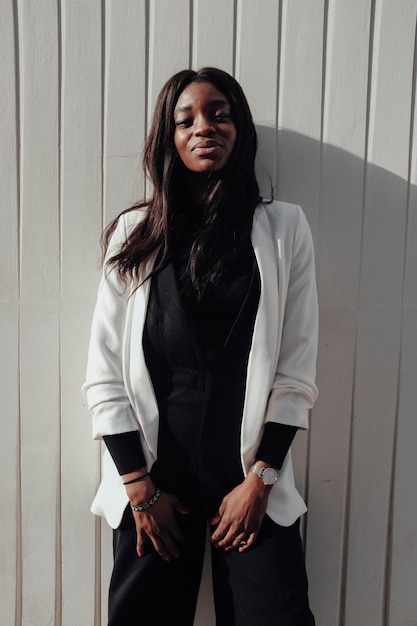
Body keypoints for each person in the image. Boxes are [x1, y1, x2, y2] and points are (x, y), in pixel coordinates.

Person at [83, 67, 318, 625]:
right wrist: (139, 488)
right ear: (169, 139)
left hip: (249, 478)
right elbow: (105, 374)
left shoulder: (283, 229)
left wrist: (260, 482)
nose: (203, 127)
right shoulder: (136, 234)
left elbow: (295, 369)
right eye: (184, 119)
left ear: (240, 129)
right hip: (156, 482)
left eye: (219, 113)